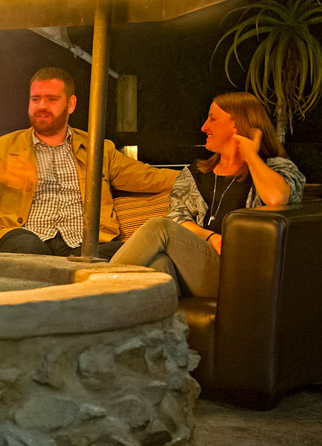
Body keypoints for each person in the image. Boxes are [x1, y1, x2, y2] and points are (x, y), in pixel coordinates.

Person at [0, 67, 178, 259]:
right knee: (28, 247)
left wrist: (195, 176)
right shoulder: (5, 147)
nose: (41, 106)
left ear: (70, 104)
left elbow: (148, 177)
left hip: (84, 246)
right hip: (26, 237)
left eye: (51, 99)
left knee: (132, 254)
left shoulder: (97, 149)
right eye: (35, 99)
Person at [109, 92, 305, 297]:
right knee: (159, 265)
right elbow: (178, 219)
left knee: (159, 227)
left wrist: (250, 156)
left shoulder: (277, 168)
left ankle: (97, 291)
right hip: (202, 266)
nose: (204, 127)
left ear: (237, 124)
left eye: (212, 119)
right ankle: (130, 313)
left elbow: (277, 199)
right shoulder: (194, 173)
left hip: (245, 272)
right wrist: (211, 237)